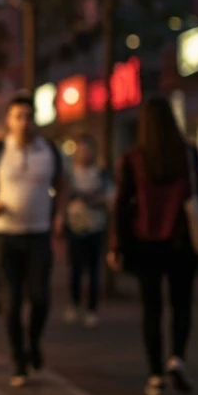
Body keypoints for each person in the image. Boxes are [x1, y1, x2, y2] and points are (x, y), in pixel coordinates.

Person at [108, 96, 198, 395]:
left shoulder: (133, 158)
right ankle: (176, 358)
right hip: (181, 242)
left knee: (152, 308)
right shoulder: (187, 154)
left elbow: (121, 204)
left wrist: (116, 243)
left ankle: (155, 374)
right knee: (182, 304)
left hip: (146, 243)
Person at [0, 93, 66, 386]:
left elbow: (62, 185)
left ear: (35, 119)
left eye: (28, 116)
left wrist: (60, 214)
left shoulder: (49, 150)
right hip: (4, 234)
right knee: (12, 299)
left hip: (38, 233)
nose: (24, 122)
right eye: (18, 117)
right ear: (9, 121)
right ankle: (17, 360)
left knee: (40, 298)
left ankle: (33, 342)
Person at [64, 134, 113, 326]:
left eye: (87, 149)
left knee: (93, 271)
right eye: (81, 149)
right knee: (75, 269)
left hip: (95, 226)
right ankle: (74, 303)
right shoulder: (69, 174)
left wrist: (93, 200)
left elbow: (109, 199)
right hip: (74, 227)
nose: (84, 153)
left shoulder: (101, 174)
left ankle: (91, 309)